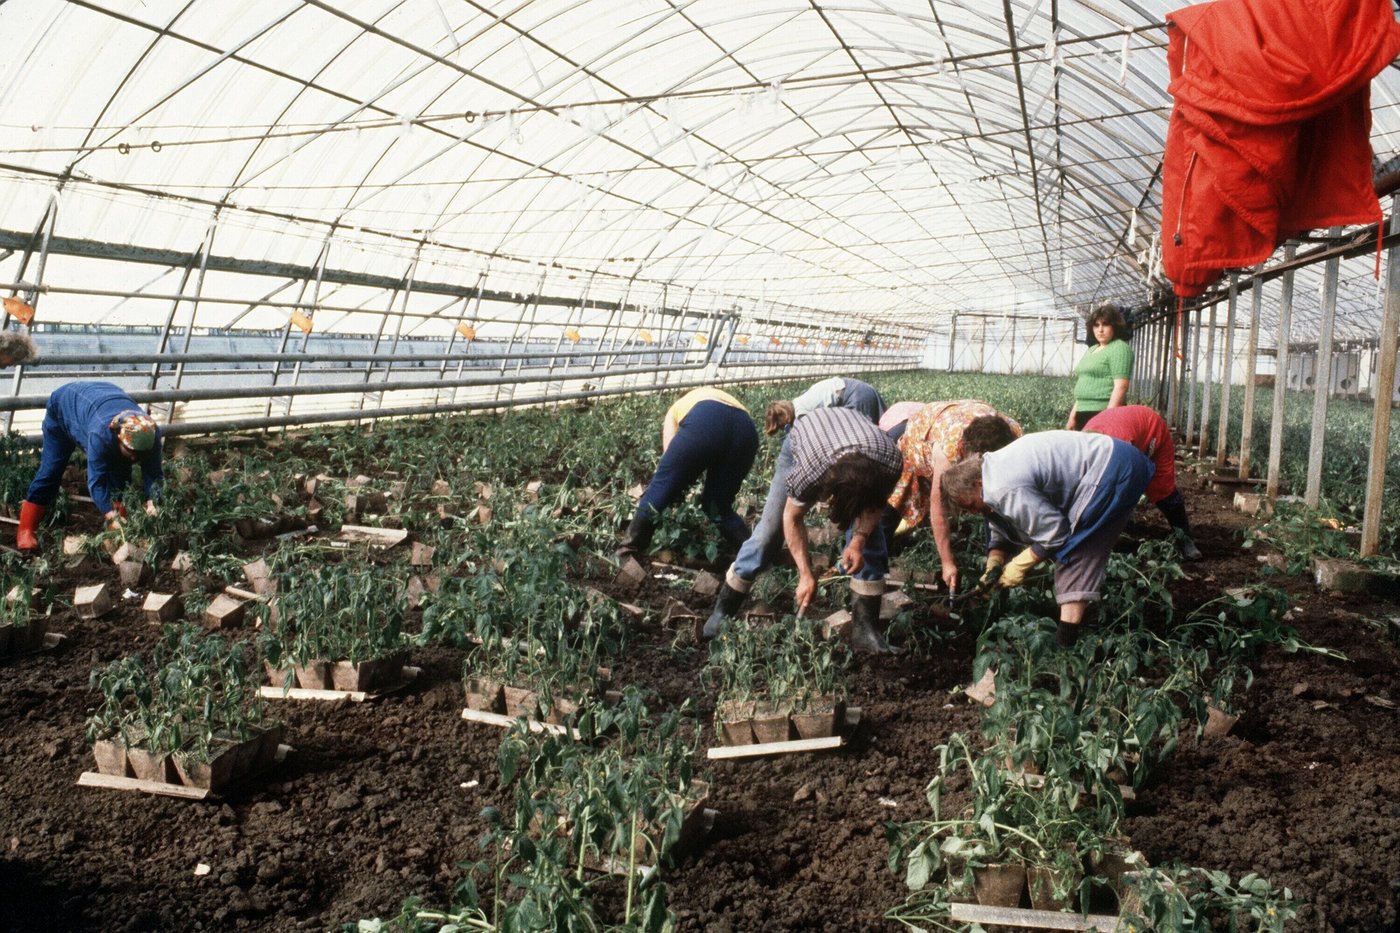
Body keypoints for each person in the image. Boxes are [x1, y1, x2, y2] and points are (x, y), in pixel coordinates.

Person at [706, 406, 903, 654]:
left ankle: (866, 632)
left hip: (858, 441)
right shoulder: (811, 471)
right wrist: (805, 573)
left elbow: (875, 505)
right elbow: (793, 517)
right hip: (807, 440)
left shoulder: (891, 461)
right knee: (769, 534)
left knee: (872, 540)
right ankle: (723, 611)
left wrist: (858, 540)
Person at [941, 431, 1153, 647]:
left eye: (970, 505)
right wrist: (994, 563)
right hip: (1117, 460)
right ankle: (1080, 616)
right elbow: (999, 521)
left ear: (977, 484)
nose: (973, 511)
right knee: (1078, 547)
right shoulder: (991, 471)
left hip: (1110, 470)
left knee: (1073, 553)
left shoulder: (1003, 488)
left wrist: (1020, 564)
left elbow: (1055, 534)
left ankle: (1065, 648)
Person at [885, 401, 1023, 592]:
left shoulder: (1013, 436)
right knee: (892, 505)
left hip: (964, 417)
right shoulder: (949, 451)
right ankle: (875, 557)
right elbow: (938, 506)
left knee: (990, 498)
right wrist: (947, 562)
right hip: (923, 430)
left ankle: (998, 561)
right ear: (968, 455)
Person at [616, 386, 759, 560]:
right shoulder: (714, 395)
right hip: (747, 430)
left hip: (706, 419)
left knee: (661, 487)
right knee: (718, 505)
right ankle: (754, 561)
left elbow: (670, 457)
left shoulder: (676, 407)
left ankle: (625, 553)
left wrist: (675, 488)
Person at [16, 382, 162, 551]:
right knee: (51, 471)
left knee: (121, 473)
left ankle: (117, 533)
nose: (136, 458)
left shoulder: (150, 433)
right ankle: (26, 530)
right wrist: (110, 513)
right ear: (119, 437)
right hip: (64, 407)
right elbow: (96, 483)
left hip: (100, 397)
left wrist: (153, 503)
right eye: (131, 451)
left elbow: (154, 473)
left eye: (141, 454)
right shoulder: (100, 435)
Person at [1083, 405, 1202, 560]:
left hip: (1154, 434)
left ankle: (1185, 539)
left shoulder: (1118, 445)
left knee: (1163, 490)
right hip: (1131, 433)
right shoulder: (1083, 443)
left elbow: (1122, 486)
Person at [1066, 304, 1133, 430]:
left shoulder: (1119, 348)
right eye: (1096, 325)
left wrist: (1107, 419)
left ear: (1114, 326)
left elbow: (1121, 387)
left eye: (1105, 324)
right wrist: (1072, 416)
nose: (1100, 330)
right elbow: (1084, 384)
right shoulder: (1092, 349)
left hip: (1102, 411)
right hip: (1082, 412)